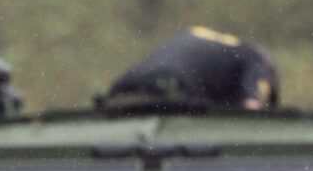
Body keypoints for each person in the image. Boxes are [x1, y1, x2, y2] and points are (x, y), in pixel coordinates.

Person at [106, 27, 282, 111]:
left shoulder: (203, 35)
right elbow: (252, 108)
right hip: (170, 92)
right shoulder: (258, 60)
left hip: (122, 90)